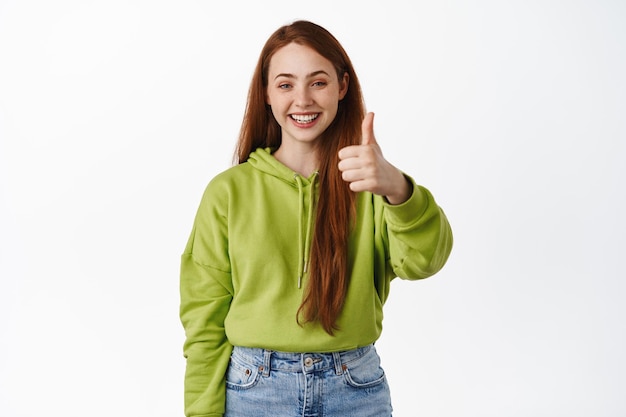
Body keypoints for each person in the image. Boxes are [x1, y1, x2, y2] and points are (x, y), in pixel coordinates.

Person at [179, 19, 453, 417]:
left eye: (318, 82)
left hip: (355, 388)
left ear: (342, 87)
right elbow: (203, 321)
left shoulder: (372, 185)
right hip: (255, 391)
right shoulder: (228, 192)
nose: (303, 100)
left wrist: (397, 187)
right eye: (286, 84)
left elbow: (425, 261)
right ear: (267, 94)